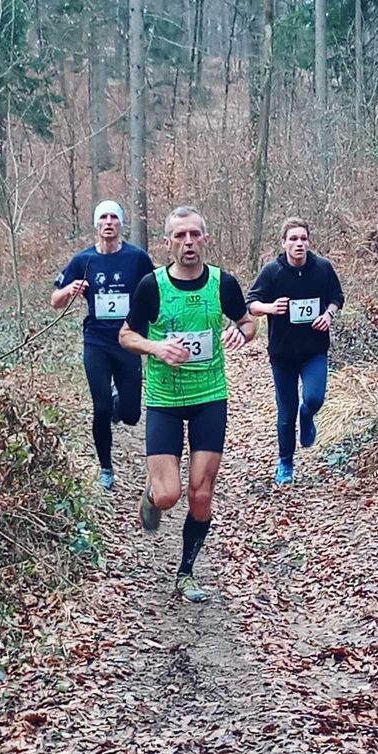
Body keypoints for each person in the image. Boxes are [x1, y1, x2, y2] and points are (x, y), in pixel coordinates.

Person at [119, 206, 255, 603]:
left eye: (195, 234)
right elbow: (126, 335)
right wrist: (157, 347)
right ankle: (152, 493)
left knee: (200, 494)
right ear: (168, 243)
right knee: (168, 496)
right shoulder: (152, 286)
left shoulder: (223, 283)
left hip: (209, 397)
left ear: (205, 239)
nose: (188, 242)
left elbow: (249, 322)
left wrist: (242, 333)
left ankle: (186, 573)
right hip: (164, 400)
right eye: (180, 236)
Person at [51, 201, 154, 490]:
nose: (109, 222)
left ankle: (118, 399)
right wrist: (69, 290)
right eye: (103, 217)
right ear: (96, 224)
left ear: (121, 223)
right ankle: (106, 469)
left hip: (128, 340)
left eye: (114, 217)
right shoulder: (83, 260)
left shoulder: (137, 258)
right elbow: (55, 301)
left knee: (131, 415)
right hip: (96, 340)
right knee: (101, 407)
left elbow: (155, 291)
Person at [246, 217, 344, 486]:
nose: (299, 243)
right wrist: (270, 308)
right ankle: (285, 463)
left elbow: (337, 296)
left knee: (314, 398)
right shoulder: (272, 272)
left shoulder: (322, 268)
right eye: (293, 239)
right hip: (283, 354)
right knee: (286, 412)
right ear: (284, 243)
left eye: (303, 238)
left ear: (309, 242)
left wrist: (328, 314)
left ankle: (308, 413)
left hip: (314, 350)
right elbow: (251, 303)